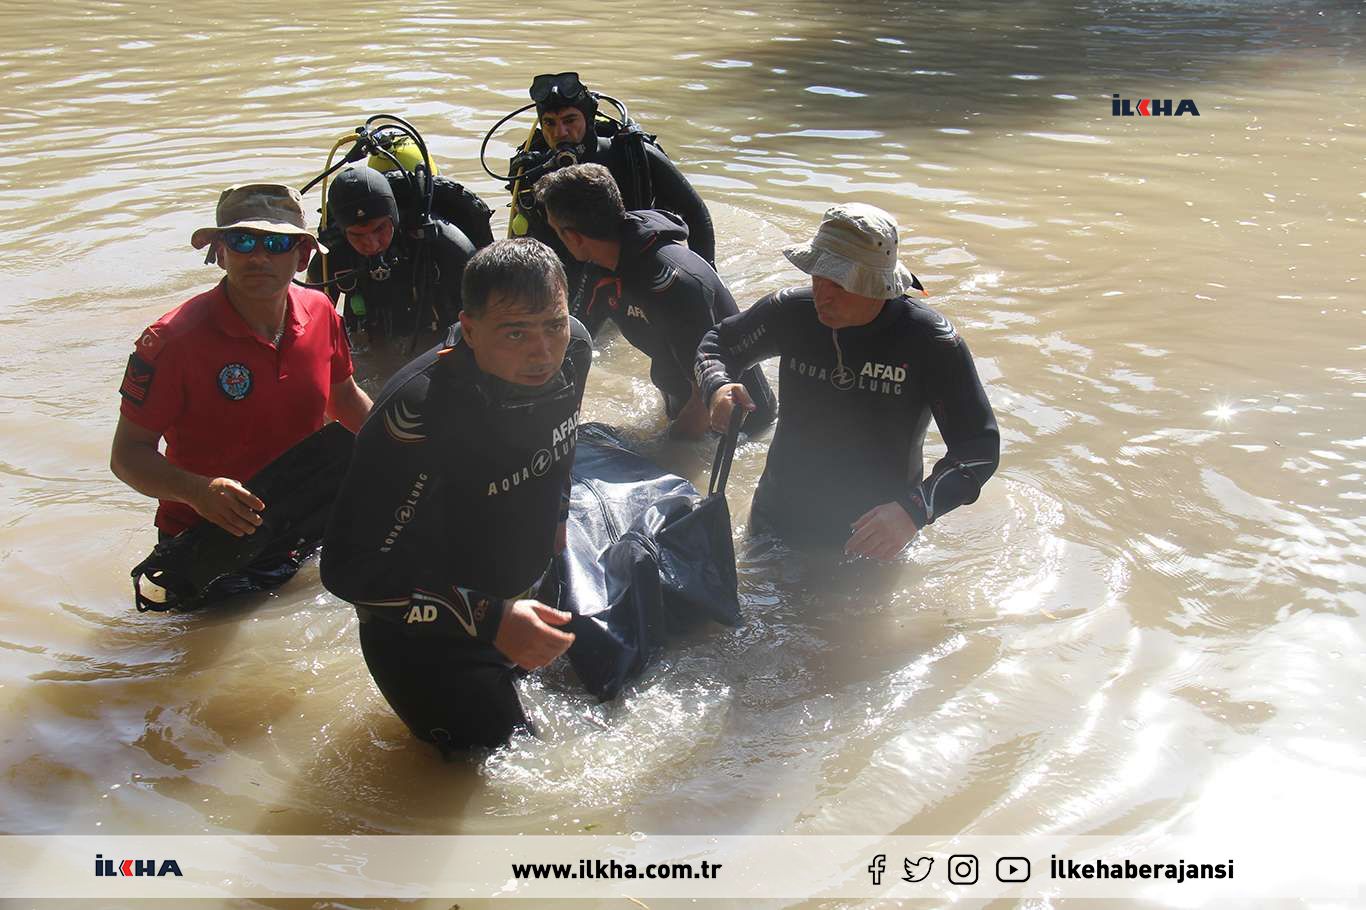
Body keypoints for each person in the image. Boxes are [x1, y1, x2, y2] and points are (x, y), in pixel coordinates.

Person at [320, 238, 593, 753]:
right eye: (516, 332)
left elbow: (562, 441)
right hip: (428, 640)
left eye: (553, 324)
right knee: (495, 767)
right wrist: (489, 618)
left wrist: (556, 525)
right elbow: (347, 572)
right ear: (469, 329)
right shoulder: (417, 414)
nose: (542, 353)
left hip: (526, 596)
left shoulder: (574, 348)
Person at [111, 183, 372, 597]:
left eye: (276, 242)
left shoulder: (321, 313)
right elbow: (127, 456)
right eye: (243, 240)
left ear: (302, 255)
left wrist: (412, 454)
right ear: (219, 251)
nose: (259, 256)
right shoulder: (173, 341)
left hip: (301, 524)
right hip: (207, 541)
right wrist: (198, 492)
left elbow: (346, 401)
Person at [695, 203, 1000, 558]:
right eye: (817, 276)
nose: (823, 294)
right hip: (776, 518)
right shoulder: (792, 312)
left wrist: (914, 511)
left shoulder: (930, 341)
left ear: (877, 285)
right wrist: (717, 387)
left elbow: (978, 448)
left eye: (839, 282)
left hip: (875, 535)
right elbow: (718, 343)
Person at [535, 163, 775, 439]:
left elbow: (703, 395)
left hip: (737, 425)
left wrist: (667, 450)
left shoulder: (673, 285)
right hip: (678, 400)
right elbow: (573, 342)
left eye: (557, 232)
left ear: (573, 237)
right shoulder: (599, 265)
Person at [508, 72, 716, 277]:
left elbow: (696, 213)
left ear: (588, 119)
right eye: (550, 123)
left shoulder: (631, 155)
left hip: (634, 264)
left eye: (570, 120)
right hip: (570, 274)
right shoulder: (532, 171)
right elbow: (526, 240)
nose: (560, 132)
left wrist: (707, 275)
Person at [308, 165, 485, 345]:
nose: (372, 243)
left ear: (394, 217)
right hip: (368, 340)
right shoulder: (331, 255)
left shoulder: (441, 241)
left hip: (442, 339)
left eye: (379, 229)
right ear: (343, 232)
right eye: (357, 235)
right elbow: (309, 325)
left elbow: (485, 314)